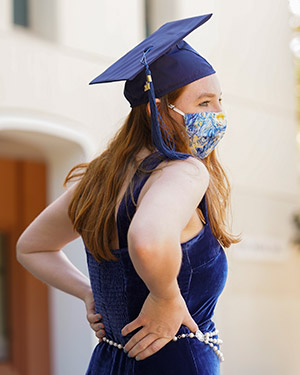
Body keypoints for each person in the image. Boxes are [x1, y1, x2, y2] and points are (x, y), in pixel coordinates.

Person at [16, 14, 240, 375]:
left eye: (219, 101)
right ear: (160, 109)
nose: (219, 114)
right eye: (204, 103)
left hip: (108, 361)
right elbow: (147, 240)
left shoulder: (99, 180)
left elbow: (32, 246)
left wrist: (90, 293)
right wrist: (165, 297)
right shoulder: (183, 170)